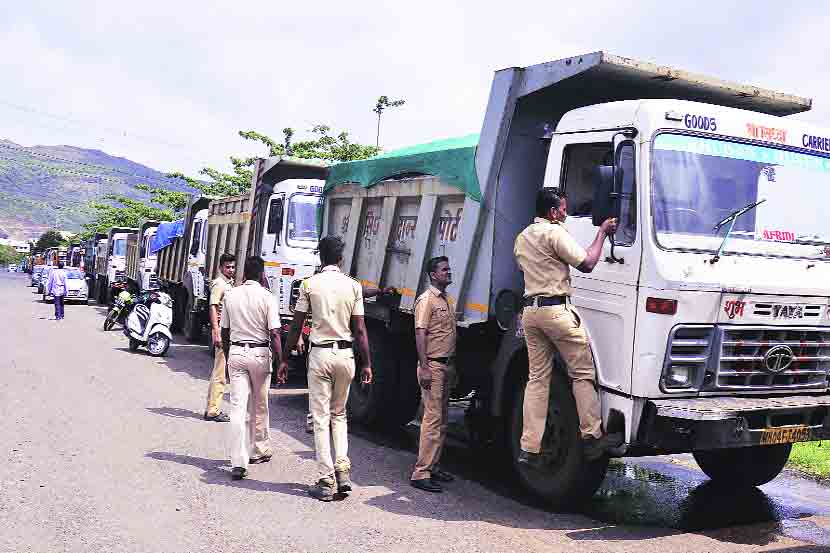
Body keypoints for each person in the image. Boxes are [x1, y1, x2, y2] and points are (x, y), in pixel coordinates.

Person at [513, 188, 621, 467]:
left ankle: (529, 447)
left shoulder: (522, 237)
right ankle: (592, 436)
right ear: (552, 212)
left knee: (537, 379)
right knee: (582, 373)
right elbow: (586, 263)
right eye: (563, 209)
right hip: (556, 311)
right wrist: (602, 233)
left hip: (531, 312)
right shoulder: (555, 233)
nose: (565, 213)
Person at [280, 236, 372, 501]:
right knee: (339, 415)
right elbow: (361, 330)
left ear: (321, 258)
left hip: (319, 354)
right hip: (346, 355)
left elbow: (296, 326)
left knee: (320, 419)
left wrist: (284, 359)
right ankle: (343, 469)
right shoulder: (354, 286)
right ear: (340, 258)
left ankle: (325, 478)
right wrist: (366, 363)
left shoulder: (310, 284)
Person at [220, 256, 282, 480]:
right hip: (260, 354)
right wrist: (282, 359)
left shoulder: (230, 295)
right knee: (259, 404)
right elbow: (275, 332)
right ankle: (259, 449)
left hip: (236, 352)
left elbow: (224, 332)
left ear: (243, 274)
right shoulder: (268, 297)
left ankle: (239, 461)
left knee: (237, 408)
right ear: (262, 274)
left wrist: (229, 357)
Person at [410, 256, 457, 493]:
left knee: (442, 418)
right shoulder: (426, 300)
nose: (449, 272)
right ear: (432, 275)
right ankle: (421, 473)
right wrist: (425, 366)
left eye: (449, 269)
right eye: (444, 269)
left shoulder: (448, 299)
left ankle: (434, 465)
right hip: (433, 366)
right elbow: (420, 334)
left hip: (445, 365)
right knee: (432, 419)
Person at [204, 253, 236, 422]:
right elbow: (213, 307)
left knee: (219, 371)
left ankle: (211, 407)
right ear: (221, 268)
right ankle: (213, 411)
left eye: (232, 267)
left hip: (227, 331)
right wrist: (216, 331)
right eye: (227, 267)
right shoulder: (220, 284)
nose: (230, 270)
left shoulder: (229, 284)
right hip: (222, 331)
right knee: (220, 373)